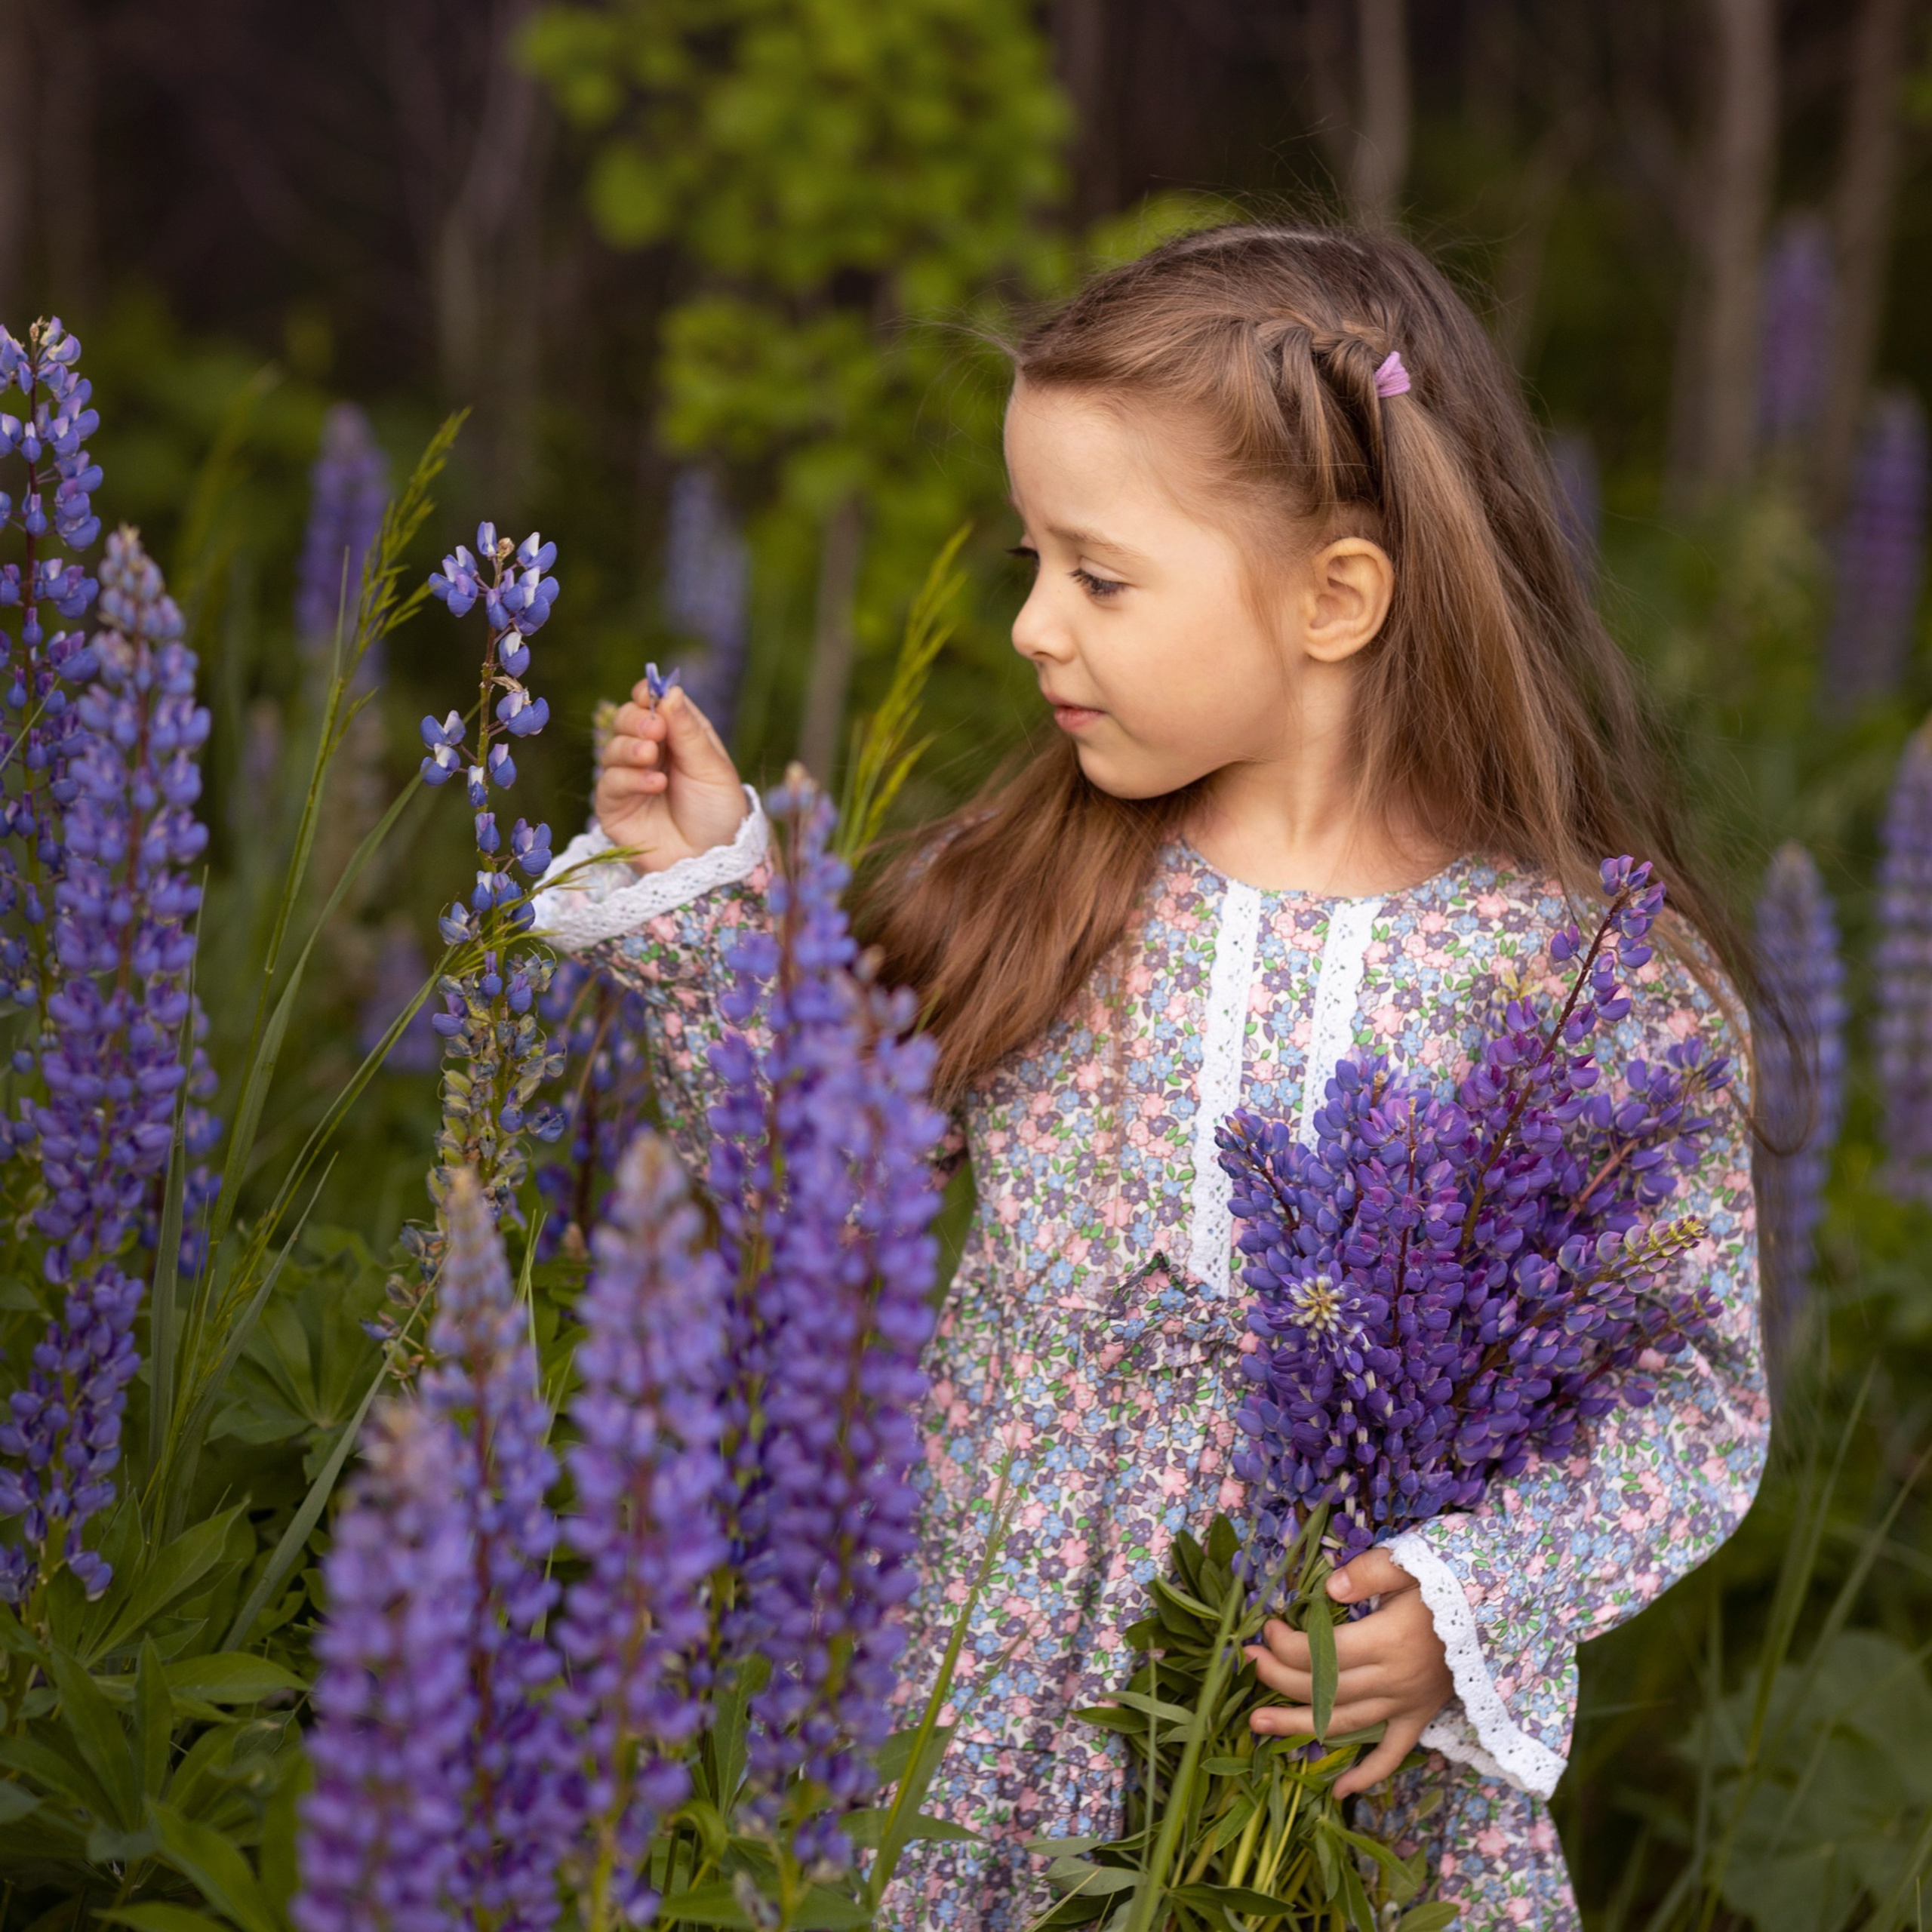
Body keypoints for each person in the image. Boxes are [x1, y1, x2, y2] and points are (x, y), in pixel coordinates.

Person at [531, 224, 1768, 1930]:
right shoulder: (1042, 874)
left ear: (1334, 595)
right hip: (976, 1693)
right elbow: (811, 1192)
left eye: (1097, 579)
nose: (1031, 624)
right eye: (1032, 559)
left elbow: (1681, 1392)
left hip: (1318, 1735)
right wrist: (717, 893)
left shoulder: (1574, 977)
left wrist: (1465, 1599)